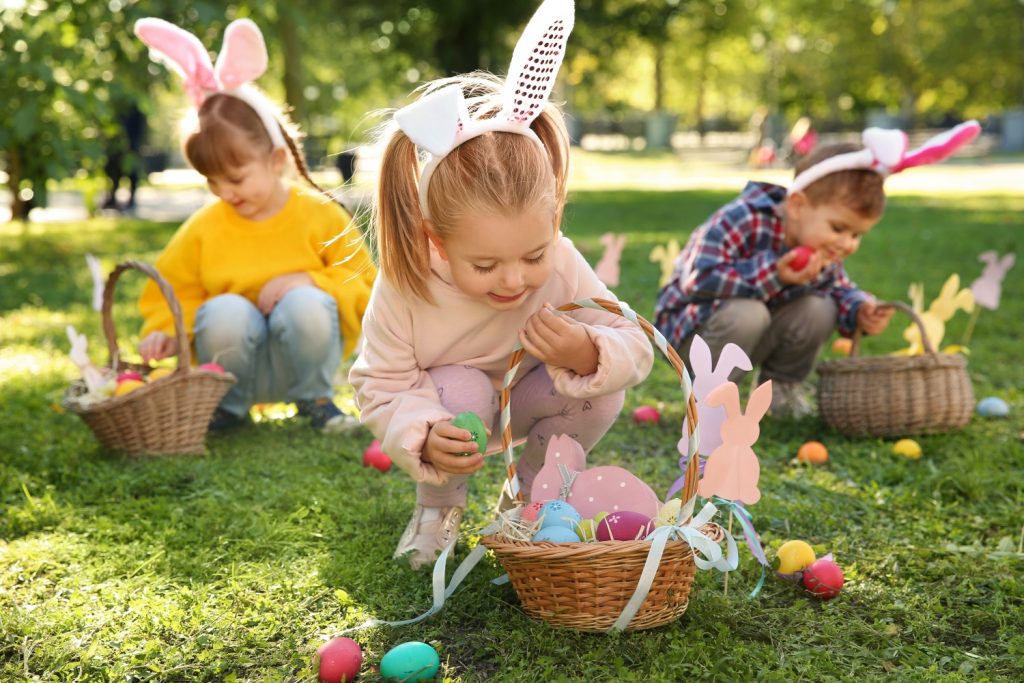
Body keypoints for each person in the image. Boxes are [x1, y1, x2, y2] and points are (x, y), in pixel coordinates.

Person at [349, 0, 654, 569]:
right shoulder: (409, 281)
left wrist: (586, 349)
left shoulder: (560, 261)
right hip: (452, 409)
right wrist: (421, 430)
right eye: (485, 266)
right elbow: (379, 382)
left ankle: (532, 500)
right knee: (461, 388)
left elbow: (634, 342)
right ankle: (438, 510)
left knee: (601, 385)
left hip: (530, 397)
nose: (514, 280)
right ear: (435, 240)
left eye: (532, 254)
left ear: (555, 219)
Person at [133, 18, 375, 433]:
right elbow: (175, 290)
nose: (224, 192)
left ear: (276, 160)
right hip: (230, 366)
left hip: (300, 361)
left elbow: (365, 284)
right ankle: (227, 408)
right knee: (224, 309)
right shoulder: (206, 226)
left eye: (236, 177)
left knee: (306, 303)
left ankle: (316, 400)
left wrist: (308, 281)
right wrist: (165, 332)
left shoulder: (317, 213)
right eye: (212, 180)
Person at [654, 121, 981, 418]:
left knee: (820, 307)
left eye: (857, 235)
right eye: (839, 228)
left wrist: (858, 310)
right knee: (748, 313)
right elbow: (700, 278)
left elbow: (837, 289)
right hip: (693, 332)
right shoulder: (743, 218)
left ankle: (779, 393)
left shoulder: (821, 246)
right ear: (797, 205)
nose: (847, 244)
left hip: (753, 333)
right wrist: (776, 274)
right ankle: (709, 404)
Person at [102, 98, 146, 212]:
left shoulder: (134, 106)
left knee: (131, 172)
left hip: (131, 144)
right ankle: (112, 197)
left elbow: (139, 127)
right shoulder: (115, 105)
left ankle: (131, 199)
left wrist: (133, 143)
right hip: (116, 145)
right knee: (113, 172)